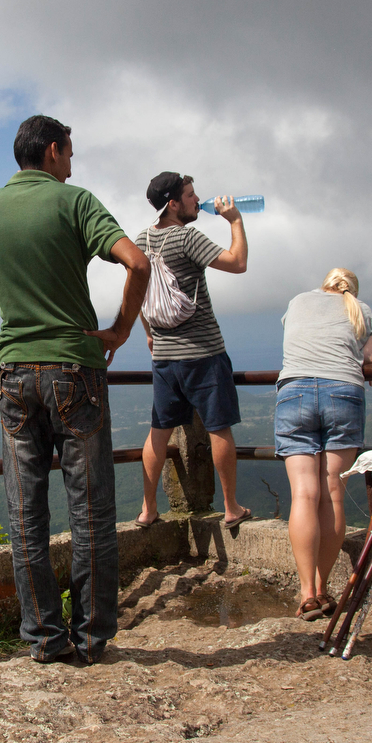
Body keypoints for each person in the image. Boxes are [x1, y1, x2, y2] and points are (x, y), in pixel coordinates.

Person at [0, 115, 150, 665]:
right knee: (91, 512)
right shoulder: (74, 201)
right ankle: (91, 641)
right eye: (69, 154)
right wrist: (120, 329)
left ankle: (44, 641)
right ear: (53, 151)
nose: (71, 164)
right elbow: (137, 262)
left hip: (14, 374)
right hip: (75, 370)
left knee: (26, 515)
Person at [133, 172, 250, 530]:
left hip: (165, 358)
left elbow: (138, 293)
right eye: (190, 195)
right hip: (203, 353)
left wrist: (151, 334)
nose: (198, 200)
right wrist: (235, 221)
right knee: (219, 429)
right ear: (173, 204)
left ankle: (147, 508)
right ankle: (231, 507)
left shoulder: (141, 239)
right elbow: (237, 262)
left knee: (158, 432)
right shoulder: (186, 236)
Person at [274, 268, 372, 621]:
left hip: (294, 392)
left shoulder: (298, 302)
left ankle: (306, 594)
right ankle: (322, 589)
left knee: (304, 494)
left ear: (325, 285)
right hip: (343, 391)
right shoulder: (361, 309)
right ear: (351, 288)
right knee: (333, 491)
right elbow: (369, 359)